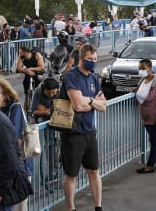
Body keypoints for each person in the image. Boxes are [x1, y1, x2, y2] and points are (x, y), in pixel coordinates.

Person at [62, 44, 107, 211]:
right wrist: (92, 102)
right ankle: (71, 208)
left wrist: (88, 100)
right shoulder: (71, 77)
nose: (93, 62)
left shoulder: (94, 78)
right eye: (90, 59)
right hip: (73, 134)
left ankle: (98, 207)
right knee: (71, 175)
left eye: (95, 59)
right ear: (81, 59)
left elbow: (104, 106)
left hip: (90, 131)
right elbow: (77, 106)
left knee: (94, 171)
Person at [0, 77, 34, 211]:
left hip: (20, 166)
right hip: (4, 168)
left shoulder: (15, 108)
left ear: (6, 95)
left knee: (19, 206)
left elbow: (13, 139)